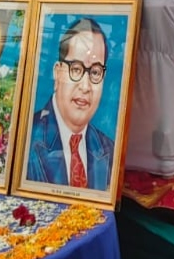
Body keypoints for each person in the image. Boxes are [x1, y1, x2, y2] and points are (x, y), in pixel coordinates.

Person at [27, 17, 114, 191]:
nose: (85, 86)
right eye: (76, 69)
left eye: (95, 72)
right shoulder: (26, 139)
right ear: (57, 73)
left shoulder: (109, 150)